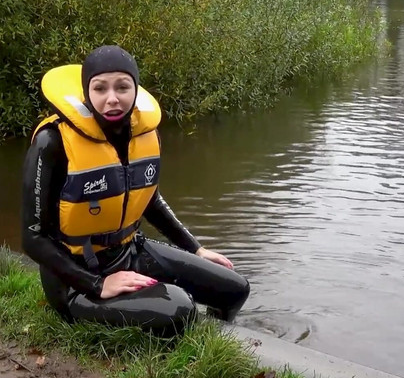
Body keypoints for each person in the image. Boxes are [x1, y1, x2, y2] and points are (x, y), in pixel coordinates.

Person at [21, 45, 250, 337]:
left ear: (136, 89)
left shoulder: (146, 134)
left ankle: (223, 338)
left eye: (122, 87)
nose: (112, 98)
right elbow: (33, 238)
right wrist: (97, 284)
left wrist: (196, 248)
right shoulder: (51, 142)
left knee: (235, 288)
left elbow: (149, 200)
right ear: (86, 92)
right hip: (76, 281)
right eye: (100, 88)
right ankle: (189, 336)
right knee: (179, 308)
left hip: (130, 251)